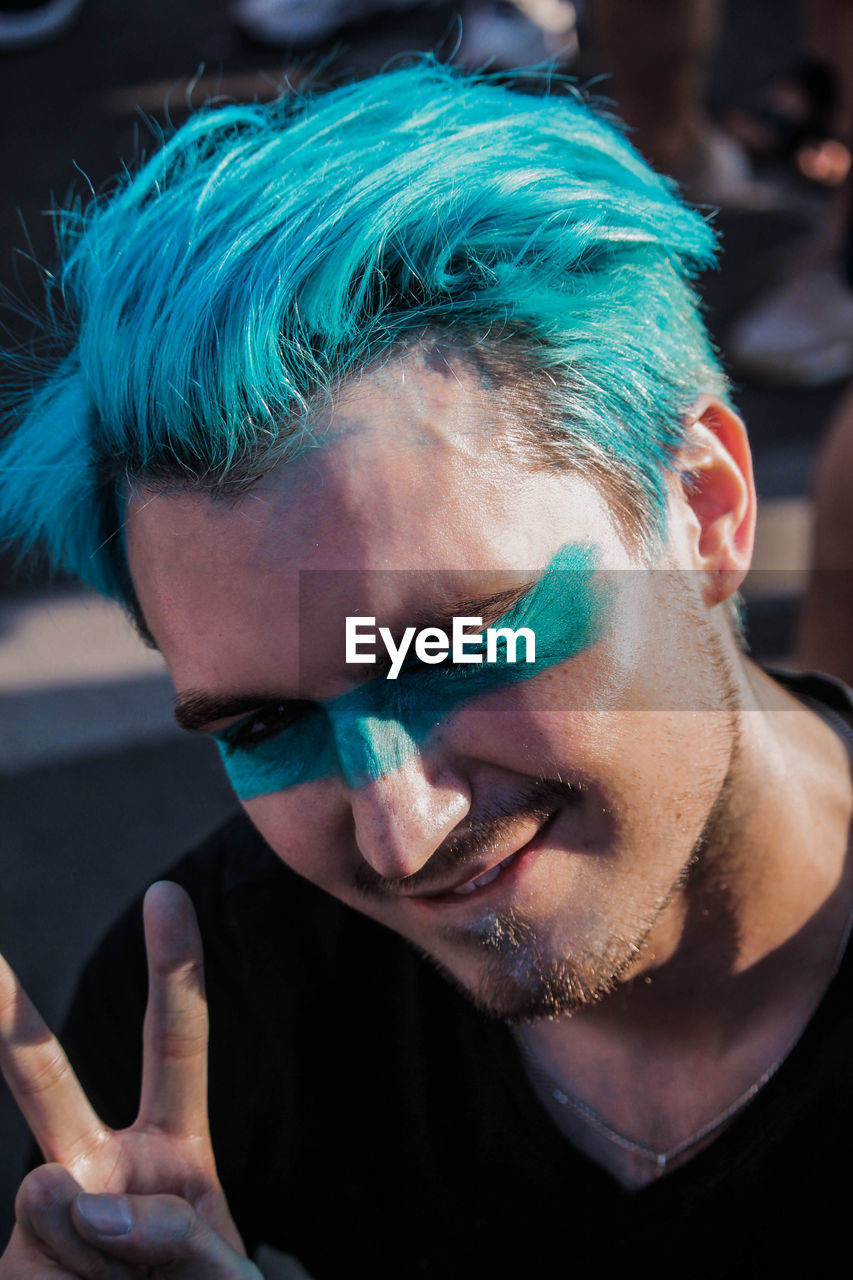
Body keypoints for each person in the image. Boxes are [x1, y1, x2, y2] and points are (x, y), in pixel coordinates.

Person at [0, 61, 851, 1279]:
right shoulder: (199, 1033)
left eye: (442, 646)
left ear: (702, 508)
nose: (401, 835)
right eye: (264, 720)